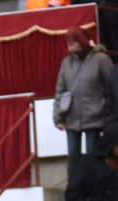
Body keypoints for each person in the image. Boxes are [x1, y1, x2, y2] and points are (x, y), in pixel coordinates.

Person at [53, 28, 111, 190]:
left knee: (93, 155)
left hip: (94, 115)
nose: (70, 48)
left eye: (73, 44)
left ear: (82, 42)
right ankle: (74, 191)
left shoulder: (101, 60)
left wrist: (105, 109)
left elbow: (110, 87)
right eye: (68, 45)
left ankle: (94, 189)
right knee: (73, 156)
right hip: (71, 117)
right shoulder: (66, 63)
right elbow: (60, 90)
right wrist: (57, 117)